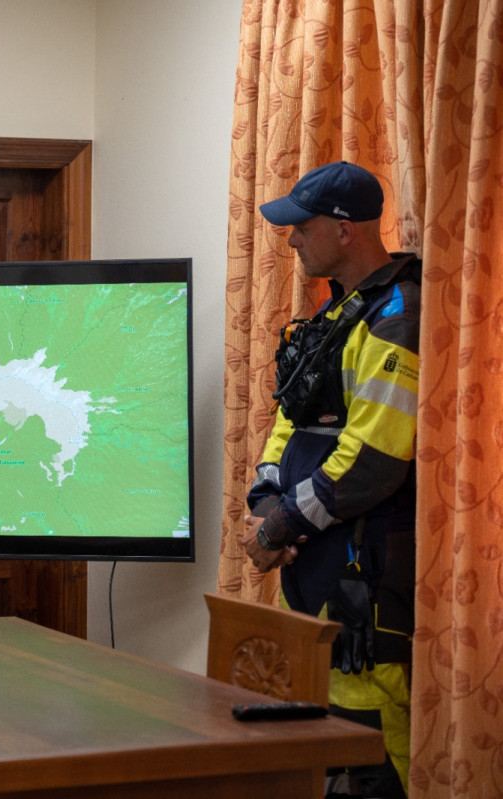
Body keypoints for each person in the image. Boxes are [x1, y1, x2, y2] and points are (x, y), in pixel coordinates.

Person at [241, 161, 419, 798]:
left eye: (301, 227)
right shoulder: (337, 313)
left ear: (345, 231)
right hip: (315, 575)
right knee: (327, 755)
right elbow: (289, 420)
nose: (290, 240)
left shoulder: (396, 315)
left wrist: (284, 524)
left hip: (366, 583)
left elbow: (374, 457)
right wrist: (265, 503)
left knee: (374, 759)